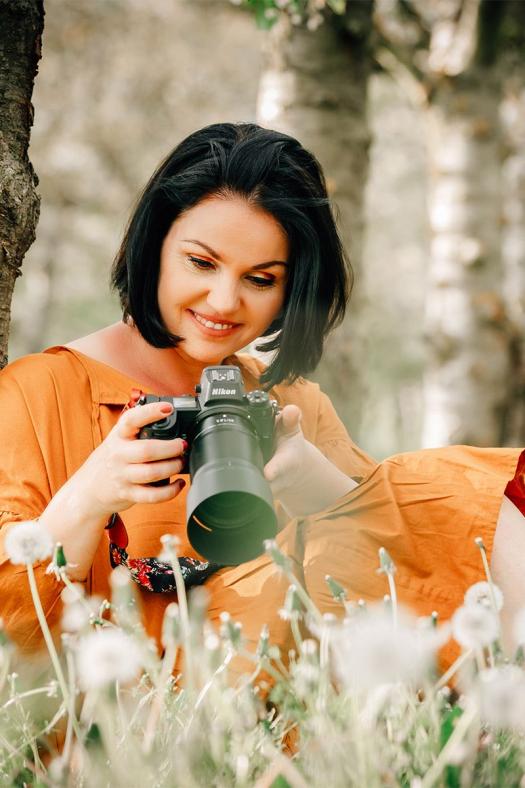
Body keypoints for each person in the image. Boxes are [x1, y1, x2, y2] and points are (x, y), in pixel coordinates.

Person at [0, 122, 522, 678]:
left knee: (453, 494)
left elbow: (408, 578)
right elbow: (13, 636)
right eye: (200, 263)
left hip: (269, 712)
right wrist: (89, 495)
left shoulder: (289, 406)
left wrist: (325, 493)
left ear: (291, 289)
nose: (224, 301)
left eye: (261, 278)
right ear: (153, 247)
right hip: (106, 720)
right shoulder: (39, 393)